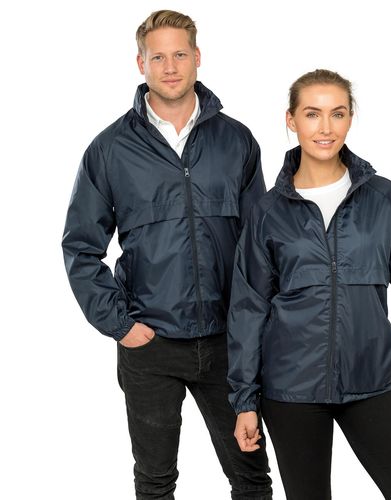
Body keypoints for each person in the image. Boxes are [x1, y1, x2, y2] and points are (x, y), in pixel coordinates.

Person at [62, 9, 272, 500]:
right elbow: (80, 246)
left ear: (198, 57)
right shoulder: (110, 149)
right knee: (155, 483)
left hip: (229, 344)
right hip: (150, 344)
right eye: (158, 57)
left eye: (180, 54)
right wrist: (120, 325)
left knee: (251, 478)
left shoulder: (236, 141)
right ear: (141, 64)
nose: (170, 67)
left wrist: (256, 326)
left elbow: (261, 245)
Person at [228, 69, 391, 500]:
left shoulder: (384, 197)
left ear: (350, 119)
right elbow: (248, 309)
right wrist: (245, 401)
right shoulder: (268, 211)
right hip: (290, 390)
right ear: (291, 120)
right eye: (312, 114)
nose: (325, 128)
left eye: (337, 113)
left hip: (369, 381)